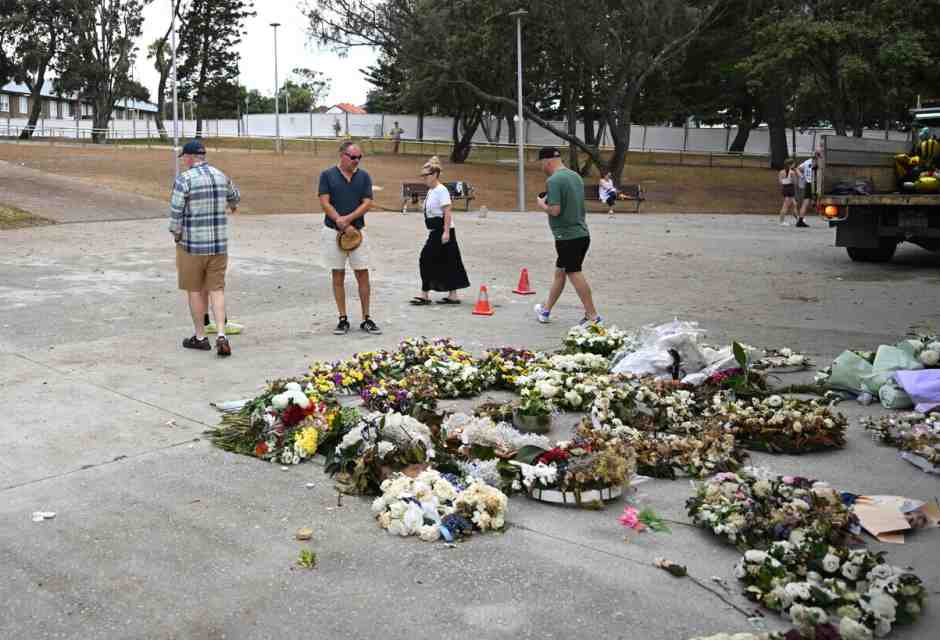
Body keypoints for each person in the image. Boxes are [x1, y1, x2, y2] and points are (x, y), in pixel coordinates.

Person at [169, 139, 240, 356]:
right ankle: (221, 334)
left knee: (195, 290)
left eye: (185, 158)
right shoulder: (221, 175)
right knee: (216, 289)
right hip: (219, 245)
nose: (184, 162)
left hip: (192, 245)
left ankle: (200, 337)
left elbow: (176, 213)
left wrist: (176, 234)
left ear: (190, 157)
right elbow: (235, 197)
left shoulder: (184, 179)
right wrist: (232, 206)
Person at [318, 141, 381, 335]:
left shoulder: (363, 176)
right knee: (338, 274)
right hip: (333, 231)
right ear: (342, 155)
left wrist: (348, 220)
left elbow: (367, 202)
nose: (356, 161)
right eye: (353, 157)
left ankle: (366, 318)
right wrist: (338, 220)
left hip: (357, 232)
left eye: (359, 157)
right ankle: (342, 318)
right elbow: (324, 201)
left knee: (363, 273)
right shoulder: (327, 175)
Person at [533, 146, 601, 326]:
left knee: (573, 272)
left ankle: (593, 316)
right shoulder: (575, 176)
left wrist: (542, 205)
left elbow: (555, 210)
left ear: (547, 161)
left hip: (567, 236)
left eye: (541, 163)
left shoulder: (554, 180)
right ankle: (546, 310)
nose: (541, 167)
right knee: (560, 273)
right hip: (581, 233)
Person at [409, 156, 470, 306]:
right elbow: (429, 211)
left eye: (426, 175)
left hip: (442, 230)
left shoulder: (441, 190)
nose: (424, 178)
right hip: (435, 230)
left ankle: (424, 294)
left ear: (435, 174)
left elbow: (447, 212)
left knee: (426, 258)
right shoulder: (431, 191)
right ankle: (453, 295)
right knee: (449, 260)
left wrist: (446, 232)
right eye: (423, 176)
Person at [795, 151, 819, 227]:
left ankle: (800, 220)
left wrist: (802, 176)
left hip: (808, 183)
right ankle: (814, 204)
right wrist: (802, 176)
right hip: (814, 183)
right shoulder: (817, 163)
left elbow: (797, 168)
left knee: (806, 202)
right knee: (813, 200)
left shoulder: (806, 162)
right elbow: (814, 167)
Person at [778, 159, 798, 226]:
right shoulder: (792, 172)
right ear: (790, 164)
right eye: (793, 164)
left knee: (794, 204)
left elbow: (780, 182)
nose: (794, 165)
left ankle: (798, 218)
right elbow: (795, 182)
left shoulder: (781, 172)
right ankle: (781, 221)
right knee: (785, 206)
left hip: (785, 188)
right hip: (790, 189)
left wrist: (785, 181)